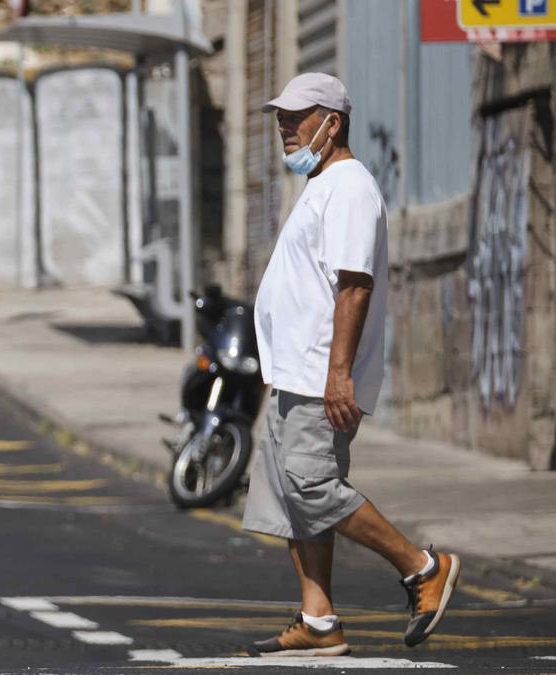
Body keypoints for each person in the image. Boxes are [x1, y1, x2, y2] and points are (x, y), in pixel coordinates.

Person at [242, 72, 460, 657]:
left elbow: (354, 286)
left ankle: (422, 568)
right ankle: (319, 622)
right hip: (295, 374)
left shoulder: (350, 186)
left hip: (320, 376)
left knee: (313, 486)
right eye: (281, 117)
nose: (284, 127)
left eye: (297, 116)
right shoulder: (319, 185)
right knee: (292, 494)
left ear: (331, 123)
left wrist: (339, 374)